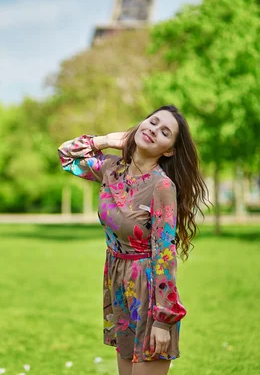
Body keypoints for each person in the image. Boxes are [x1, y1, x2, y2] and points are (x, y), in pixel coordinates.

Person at [57, 105, 208, 375]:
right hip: (118, 284)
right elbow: (65, 155)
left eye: (164, 132)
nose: (153, 130)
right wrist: (107, 140)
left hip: (148, 289)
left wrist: (163, 320)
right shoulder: (111, 169)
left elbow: (164, 253)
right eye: (152, 122)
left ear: (169, 150)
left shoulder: (162, 187)